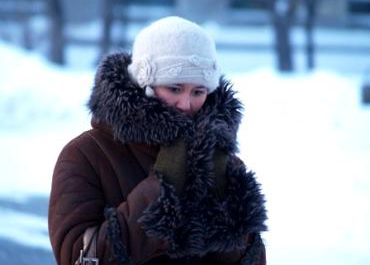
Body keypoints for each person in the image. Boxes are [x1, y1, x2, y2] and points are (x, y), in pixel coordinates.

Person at [48, 16, 267, 265]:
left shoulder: (224, 163)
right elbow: (77, 258)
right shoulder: (85, 155)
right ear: (145, 84)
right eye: (174, 88)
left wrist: (226, 217)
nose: (186, 104)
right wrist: (163, 190)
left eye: (198, 91)